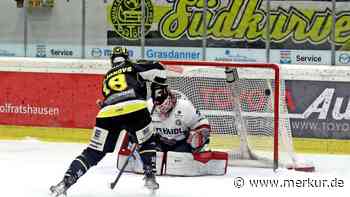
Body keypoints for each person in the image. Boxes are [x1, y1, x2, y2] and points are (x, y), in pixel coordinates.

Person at [50, 46, 166, 196]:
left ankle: (66, 182)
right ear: (126, 57)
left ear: (112, 61)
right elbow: (159, 68)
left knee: (93, 153)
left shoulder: (107, 76)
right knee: (147, 141)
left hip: (107, 114)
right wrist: (158, 91)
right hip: (135, 108)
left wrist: (105, 105)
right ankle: (150, 176)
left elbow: (114, 98)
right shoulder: (133, 65)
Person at [117, 79, 228, 176]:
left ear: (170, 99)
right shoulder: (147, 106)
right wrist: (135, 139)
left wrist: (199, 136)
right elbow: (134, 127)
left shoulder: (185, 107)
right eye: (158, 107)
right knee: (149, 150)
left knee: (180, 155)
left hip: (181, 144)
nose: (162, 113)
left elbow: (203, 124)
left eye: (164, 106)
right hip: (158, 142)